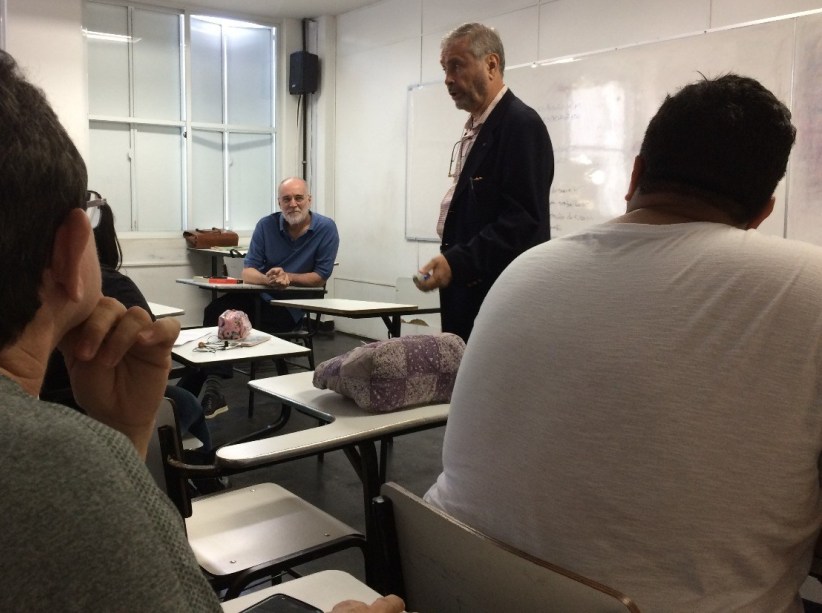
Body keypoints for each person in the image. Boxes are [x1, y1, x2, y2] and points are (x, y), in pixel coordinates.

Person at [0, 35, 401, 613]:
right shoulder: (52, 469)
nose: (291, 202)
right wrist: (107, 461)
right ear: (71, 249)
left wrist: (124, 439)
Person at [425, 73, 822, 611]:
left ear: (634, 175)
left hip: (444, 585)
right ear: (762, 213)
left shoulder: (525, 270)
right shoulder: (807, 286)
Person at [414, 22, 553, 343]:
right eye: (445, 68)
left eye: (457, 66)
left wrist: (457, 262)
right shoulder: (479, 126)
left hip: (499, 299)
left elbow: (523, 223)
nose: (448, 79)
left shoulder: (520, 125)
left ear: (491, 65)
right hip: (471, 293)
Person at [41, 196, 213, 453]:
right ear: (74, 242)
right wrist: (132, 434)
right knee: (187, 403)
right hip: (83, 415)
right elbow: (147, 350)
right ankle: (202, 481)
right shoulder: (115, 285)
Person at [183, 177, 339, 416]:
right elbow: (247, 272)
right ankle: (208, 388)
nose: (293, 204)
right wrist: (271, 279)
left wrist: (289, 277)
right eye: (286, 199)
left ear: (309, 199)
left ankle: (194, 390)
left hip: (290, 307)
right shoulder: (266, 226)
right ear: (279, 202)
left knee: (232, 320)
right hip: (259, 296)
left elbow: (320, 276)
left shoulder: (326, 228)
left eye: (298, 198)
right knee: (215, 311)